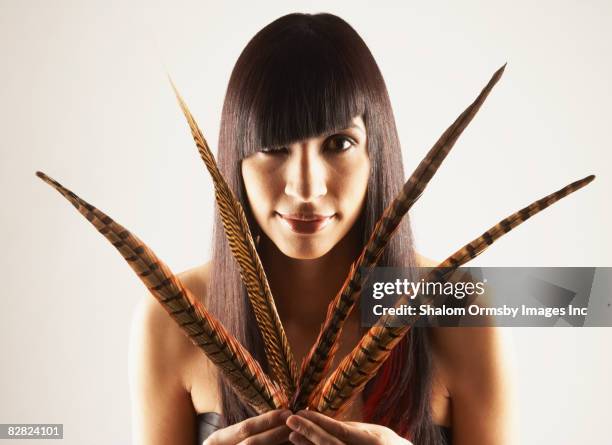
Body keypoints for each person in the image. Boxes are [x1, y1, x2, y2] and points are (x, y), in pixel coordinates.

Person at [129, 12, 516, 445]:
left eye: (339, 143)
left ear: (376, 151)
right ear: (233, 160)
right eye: (273, 146)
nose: (307, 187)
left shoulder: (457, 307)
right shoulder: (171, 317)